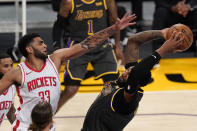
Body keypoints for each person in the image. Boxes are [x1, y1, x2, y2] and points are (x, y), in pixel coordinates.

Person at [0, 12, 136, 131]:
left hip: (48, 125)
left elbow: (88, 43)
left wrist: (114, 28)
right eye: (40, 43)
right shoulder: (17, 72)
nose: (45, 45)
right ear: (29, 49)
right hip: (25, 126)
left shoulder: (55, 59)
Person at [81, 28, 185, 131]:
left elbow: (136, 73)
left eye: (129, 74)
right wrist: (162, 33)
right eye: (128, 70)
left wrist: (163, 50)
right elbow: (133, 42)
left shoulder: (128, 100)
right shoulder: (119, 83)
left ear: (136, 83)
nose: (126, 72)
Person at [57, 0, 126, 110]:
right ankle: (47, 117)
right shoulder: (69, 2)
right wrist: (58, 50)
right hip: (79, 48)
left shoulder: (107, 1)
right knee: (71, 89)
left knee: (111, 87)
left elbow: (115, 23)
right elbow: (58, 26)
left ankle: (104, 117)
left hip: (102, 47)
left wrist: (117, 46)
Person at [0, 53, 16, 126]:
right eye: (6, 66)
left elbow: (10, 111)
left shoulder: (11, 87)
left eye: (11, 65)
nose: (10, 69)